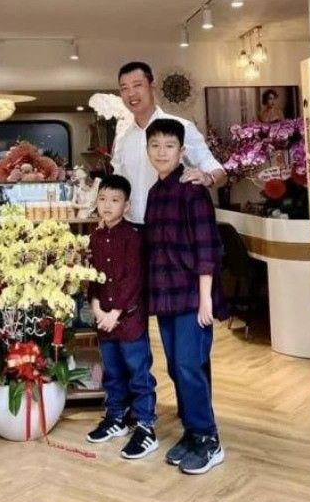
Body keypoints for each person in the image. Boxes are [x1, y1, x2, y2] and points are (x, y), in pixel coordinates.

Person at [144, 117, 227, 475]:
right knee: (178, 367)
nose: (162, 152)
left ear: (181, 151)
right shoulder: (154, 193)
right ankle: (193, 432)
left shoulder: (192, 190)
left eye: (169, 146)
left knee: (189, 365)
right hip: (166, 295)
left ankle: (209, 438)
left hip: (193, 296)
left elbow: (207, 246)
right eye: (155, 145)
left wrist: (205, 298)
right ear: (147, 150)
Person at [86, 174, 157, 460]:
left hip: (129, 319)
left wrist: (115, 312)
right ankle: (116, 416)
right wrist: (96, 308)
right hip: (104, 318)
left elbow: (134, 280)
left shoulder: (133, 237)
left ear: (126, 206)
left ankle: (145, 425)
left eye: (115, 200)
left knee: (138, 372)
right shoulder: (95, 237)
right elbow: (93, 278)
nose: (107, 205)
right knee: (112, 372)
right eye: (102, 199)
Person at [112, 61, 226, 225]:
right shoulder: (123, 138)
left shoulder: (181, 128)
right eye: (124, 88)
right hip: (130, 227)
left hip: (172, 226)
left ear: (152, 87)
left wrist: (208, 178)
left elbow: (218, 172)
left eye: (137, 85)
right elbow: (117, 183)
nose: (131, 93)